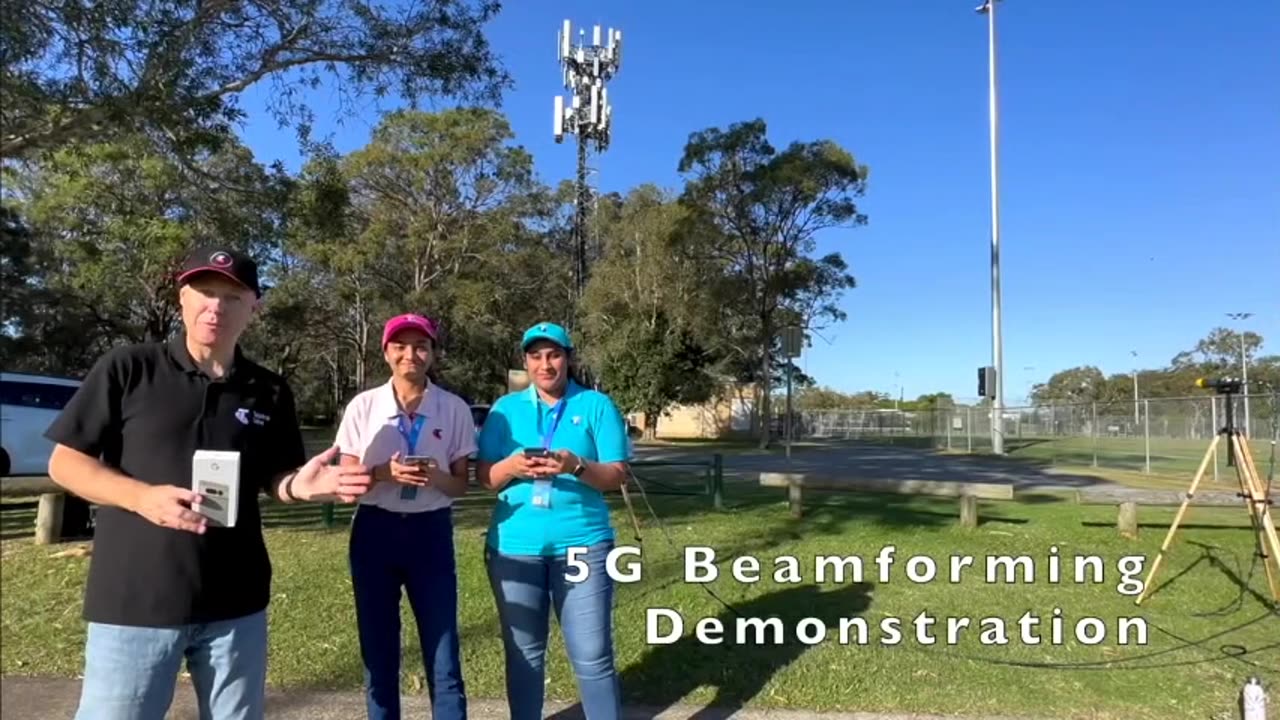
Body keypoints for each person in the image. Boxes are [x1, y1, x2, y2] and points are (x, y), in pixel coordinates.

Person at [44, 245, 376, 720]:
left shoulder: (269, 390)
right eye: (203, 292)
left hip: (235, 604)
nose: (215, 306)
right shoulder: (129, 368)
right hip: (136, 601)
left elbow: (276, 478)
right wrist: (142, 498)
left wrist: (301, 487)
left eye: (232, 296)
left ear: (254, 309)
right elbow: (66, 463)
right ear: (182, 298)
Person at [475, 321, 632, 720]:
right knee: (524, 654)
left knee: (592, 654)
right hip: (514, 548)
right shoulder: (504, 410)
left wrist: (575, 465)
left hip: (584, 546)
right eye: (536, 356)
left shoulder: (596, 405)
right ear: (526, 362)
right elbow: (485, 479)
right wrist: (511, 465)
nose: (546, 364)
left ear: (568, 358)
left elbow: (616, 475)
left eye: (554, 354)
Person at [334, 313, 476, 720]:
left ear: (432, 353)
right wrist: (382, 473)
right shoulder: (364, 407)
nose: (410, 354)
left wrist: (435, 475)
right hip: (375, 531)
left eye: (420, 346)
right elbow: (346, 484)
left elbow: (461, 487)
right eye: (400, 346)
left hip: (429, 534)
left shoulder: (453, 408)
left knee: (443, 651)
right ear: (386, 352)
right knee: (379, 653)